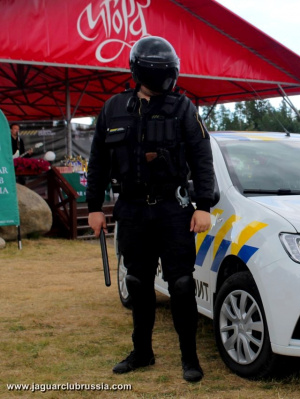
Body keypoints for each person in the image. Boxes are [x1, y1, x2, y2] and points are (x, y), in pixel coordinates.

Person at [86, 36, 214, 383]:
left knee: (183, 284)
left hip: (173, 209)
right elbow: (97, 161)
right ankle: (142, 352)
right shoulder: (113, 108)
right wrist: (94, 206)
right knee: (138, 282)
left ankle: (190, 358)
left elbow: (202, 157)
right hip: (131, 209)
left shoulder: (184, 108)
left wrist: (204, 204)